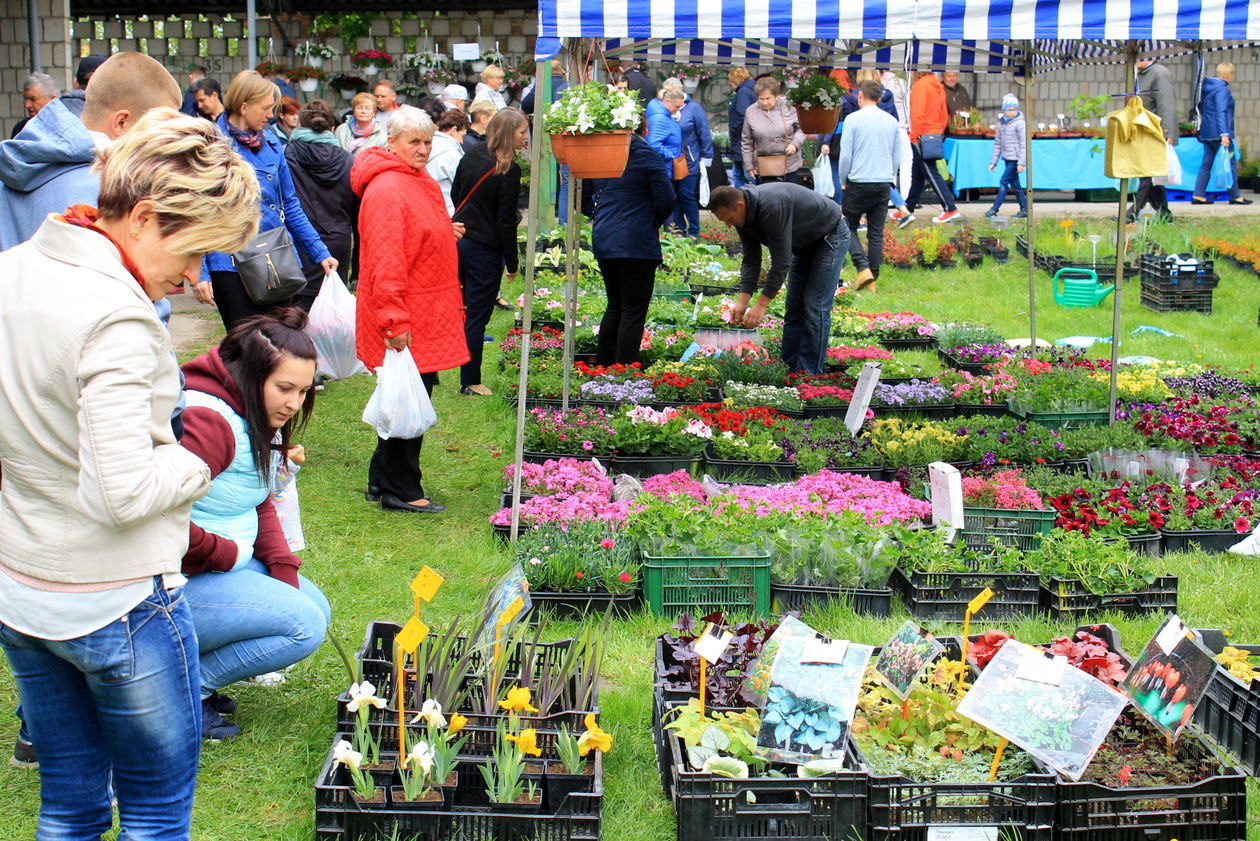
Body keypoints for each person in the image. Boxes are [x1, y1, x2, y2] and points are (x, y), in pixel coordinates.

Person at [0, 106, 257, 840]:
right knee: (152, 811)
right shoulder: (116, 314)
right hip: (117, 603)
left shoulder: (12, 269)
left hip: (24, 591)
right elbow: (123, 493)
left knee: (69, 806)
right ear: (144, 217)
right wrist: (202, 451)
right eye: (194, 253)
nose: (192, 278)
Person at [178, 308, 331, 740]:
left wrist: (282, 568)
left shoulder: (248, 413)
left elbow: (257, 498)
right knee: (302, 626)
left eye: (304, 391)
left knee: (314, 607)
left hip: (218, 567)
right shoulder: (206, 424)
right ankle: (182, 695)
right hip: (174, 578)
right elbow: (157, 519)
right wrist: (223, 554)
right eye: (284, 388)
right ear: (249, 374)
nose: (294, 403)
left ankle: (191, 679)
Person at [351, 106, 470, 513]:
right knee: (409, 396)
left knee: (405, 392)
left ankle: (380, 479)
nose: (422, 149)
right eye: (413, 142)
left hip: (424, 309)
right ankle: (402, 488)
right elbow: (385, 264)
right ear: (392, 143)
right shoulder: (388, 188)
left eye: (426, 141)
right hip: (405, 313)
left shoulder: (415, 180)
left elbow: (414, 236)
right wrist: (393, 321)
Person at [193, 70, 337, 329]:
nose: (271, 115)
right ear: (244, 106)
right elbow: (199, 212)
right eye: (266, 108)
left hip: (274, 257)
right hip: (229, 263)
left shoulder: (271, 140)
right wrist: (201, 273)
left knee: (281, 343)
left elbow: (290, 203)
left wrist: (319, 251)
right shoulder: (211, 143)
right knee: (244, 346)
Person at [0, 52, 183, 251]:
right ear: (121, 122)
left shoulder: (14, 164)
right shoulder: (114, 190)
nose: (160, 146)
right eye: (157, 131)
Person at [710, 183, 848, 374]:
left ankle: (810, 375)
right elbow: (751, 260)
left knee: (814, 305)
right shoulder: (743, 217)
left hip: (830, 234)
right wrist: (742, 302)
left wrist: (761, 305)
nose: (729, 224)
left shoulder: (771, 207)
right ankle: (789, 369)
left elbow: (781, 262)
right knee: (794, 307)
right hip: (804, 244)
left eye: (730, 219)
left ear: (740, 205)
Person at [450, 108, 529, 395]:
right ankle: (470, 381)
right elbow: (505, 220)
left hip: (459, 241)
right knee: (476, 317)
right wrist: (512, 262)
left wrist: (469, 218)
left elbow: (456, 193)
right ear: (510, 133)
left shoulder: (472, 153)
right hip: (485, 249)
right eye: (522, 132)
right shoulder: (508, 168)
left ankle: (429, 371)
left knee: (450, 308)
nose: (526, 138)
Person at [586, 117, 675, 365]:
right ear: (643, 130)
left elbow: (585, 193)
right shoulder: (646, 154)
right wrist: (649, 222)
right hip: (636, 243)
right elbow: (667, 199)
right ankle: (622, 371)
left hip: (605, 238)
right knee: (633, 311)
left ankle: (604, 365)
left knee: (615, 305)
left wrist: (601, 216)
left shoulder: (601, 153)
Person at [285, 99, 359, 310]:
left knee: (297, 316)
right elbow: (358, 214)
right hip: (338, 242)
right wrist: (358, 268)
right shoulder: (348, 161)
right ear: (332, 127)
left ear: (299, 124)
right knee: (332, 317)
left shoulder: (287, 155)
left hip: (298, 244)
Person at [837, 79, 902, 293]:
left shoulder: (853, 119)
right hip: (883, 182)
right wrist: (889, 176)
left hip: (858, 181)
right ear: (880, 98)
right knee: (876, 232)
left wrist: (843, 179)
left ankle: (862, 268)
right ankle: (873, 276)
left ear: (860, 96)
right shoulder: (891, 121)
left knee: (847, 226)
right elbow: (896, 156)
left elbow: (846, 155)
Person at [906, 71, 960, 223]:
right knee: (918, 174)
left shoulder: (920, 86)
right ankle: (907, 208)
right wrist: (938, 131)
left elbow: (917, 113)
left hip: (921, 133)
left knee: (930, 172)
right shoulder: (938, 86)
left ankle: (950, 208)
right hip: (934, 132)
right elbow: (944, 113)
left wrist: (914, 135)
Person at [664, 79, 714, 238]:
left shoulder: (694, 108)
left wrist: (707, 156)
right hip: (671, 160)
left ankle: (694, 231)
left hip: (690, 159)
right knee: (674, 196)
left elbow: (703, 132)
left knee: (687, 195)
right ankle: (678, 230)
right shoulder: (665, 110)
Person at [1193, 63, 1249, 205]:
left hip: (1207, 133)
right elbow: (1221, 111)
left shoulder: (1206, 88)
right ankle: (1235, 196)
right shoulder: (1222, 90)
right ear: (1229, 75)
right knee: (1231, 162)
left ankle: (1198, 194)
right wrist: (1224, 134)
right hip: (1220, 134)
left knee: (1206, 164)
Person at [1132, 56, 1178, 222]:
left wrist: (1168, 133)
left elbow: (1167, 104)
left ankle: (1132, 212)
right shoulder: (1142, 74)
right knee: (1151, 178)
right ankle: (1164, 213)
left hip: (1156, 132)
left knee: (1147, 176)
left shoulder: (1159, 73)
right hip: (1145, 132)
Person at [741, 77, 804, 184]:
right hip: (763, 167)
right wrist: (749, 165)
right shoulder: (751, 111)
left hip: (789, 165)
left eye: (768, 98)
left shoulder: (789, 107)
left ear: (776, 96)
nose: (764, 103)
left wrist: (795, 144)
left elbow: (802, 129)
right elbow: (746, 141)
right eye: (761, 99)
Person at [984, 94, 1028, 220]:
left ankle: (994, 208)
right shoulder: (1001, 124)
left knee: (1004, 181)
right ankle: (1024, 208)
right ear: (1004, 110)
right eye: (1009, 109)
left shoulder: (1020, 124)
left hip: (1015, 159)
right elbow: (997, 144)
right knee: (1015, 185)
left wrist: (1021, 162)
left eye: (1015, 109)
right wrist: (993, 162)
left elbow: (1023, 144)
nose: (1012, 112)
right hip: (1007, 157)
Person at [427, 108, 469, 216]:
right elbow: (463, 187)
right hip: (447, 212)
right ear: (454, 130)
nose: (462, 141)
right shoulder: (452, 154)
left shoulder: (426, 146)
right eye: (462, 135)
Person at [726, 67, 757, 188]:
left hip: (742, 140)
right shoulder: (752, 90)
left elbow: (742, 114)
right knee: (737, 172)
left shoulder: (743, 92)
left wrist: (734, 130)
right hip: (746, 140)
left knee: (746, 174)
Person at [336, 91, 388, 156]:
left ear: (374, 113)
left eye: (367, 108)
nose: (363, 111)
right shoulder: (341, 129)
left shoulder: (381, 136)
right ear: (354, 111)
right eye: (359, 108)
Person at [646, 88, 684, 170]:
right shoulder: (660, 118)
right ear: (667, 101)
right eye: (677, 107)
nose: (678, 110)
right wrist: (671, 156)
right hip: (663, 167)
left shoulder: (664, 114)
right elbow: (653, 143)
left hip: (666, 166)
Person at [10, 73, 58, 138]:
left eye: (33, 99)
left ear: (52, 100)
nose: (27, 105)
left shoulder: (65, 128)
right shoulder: (21, 129)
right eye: (25, 99)